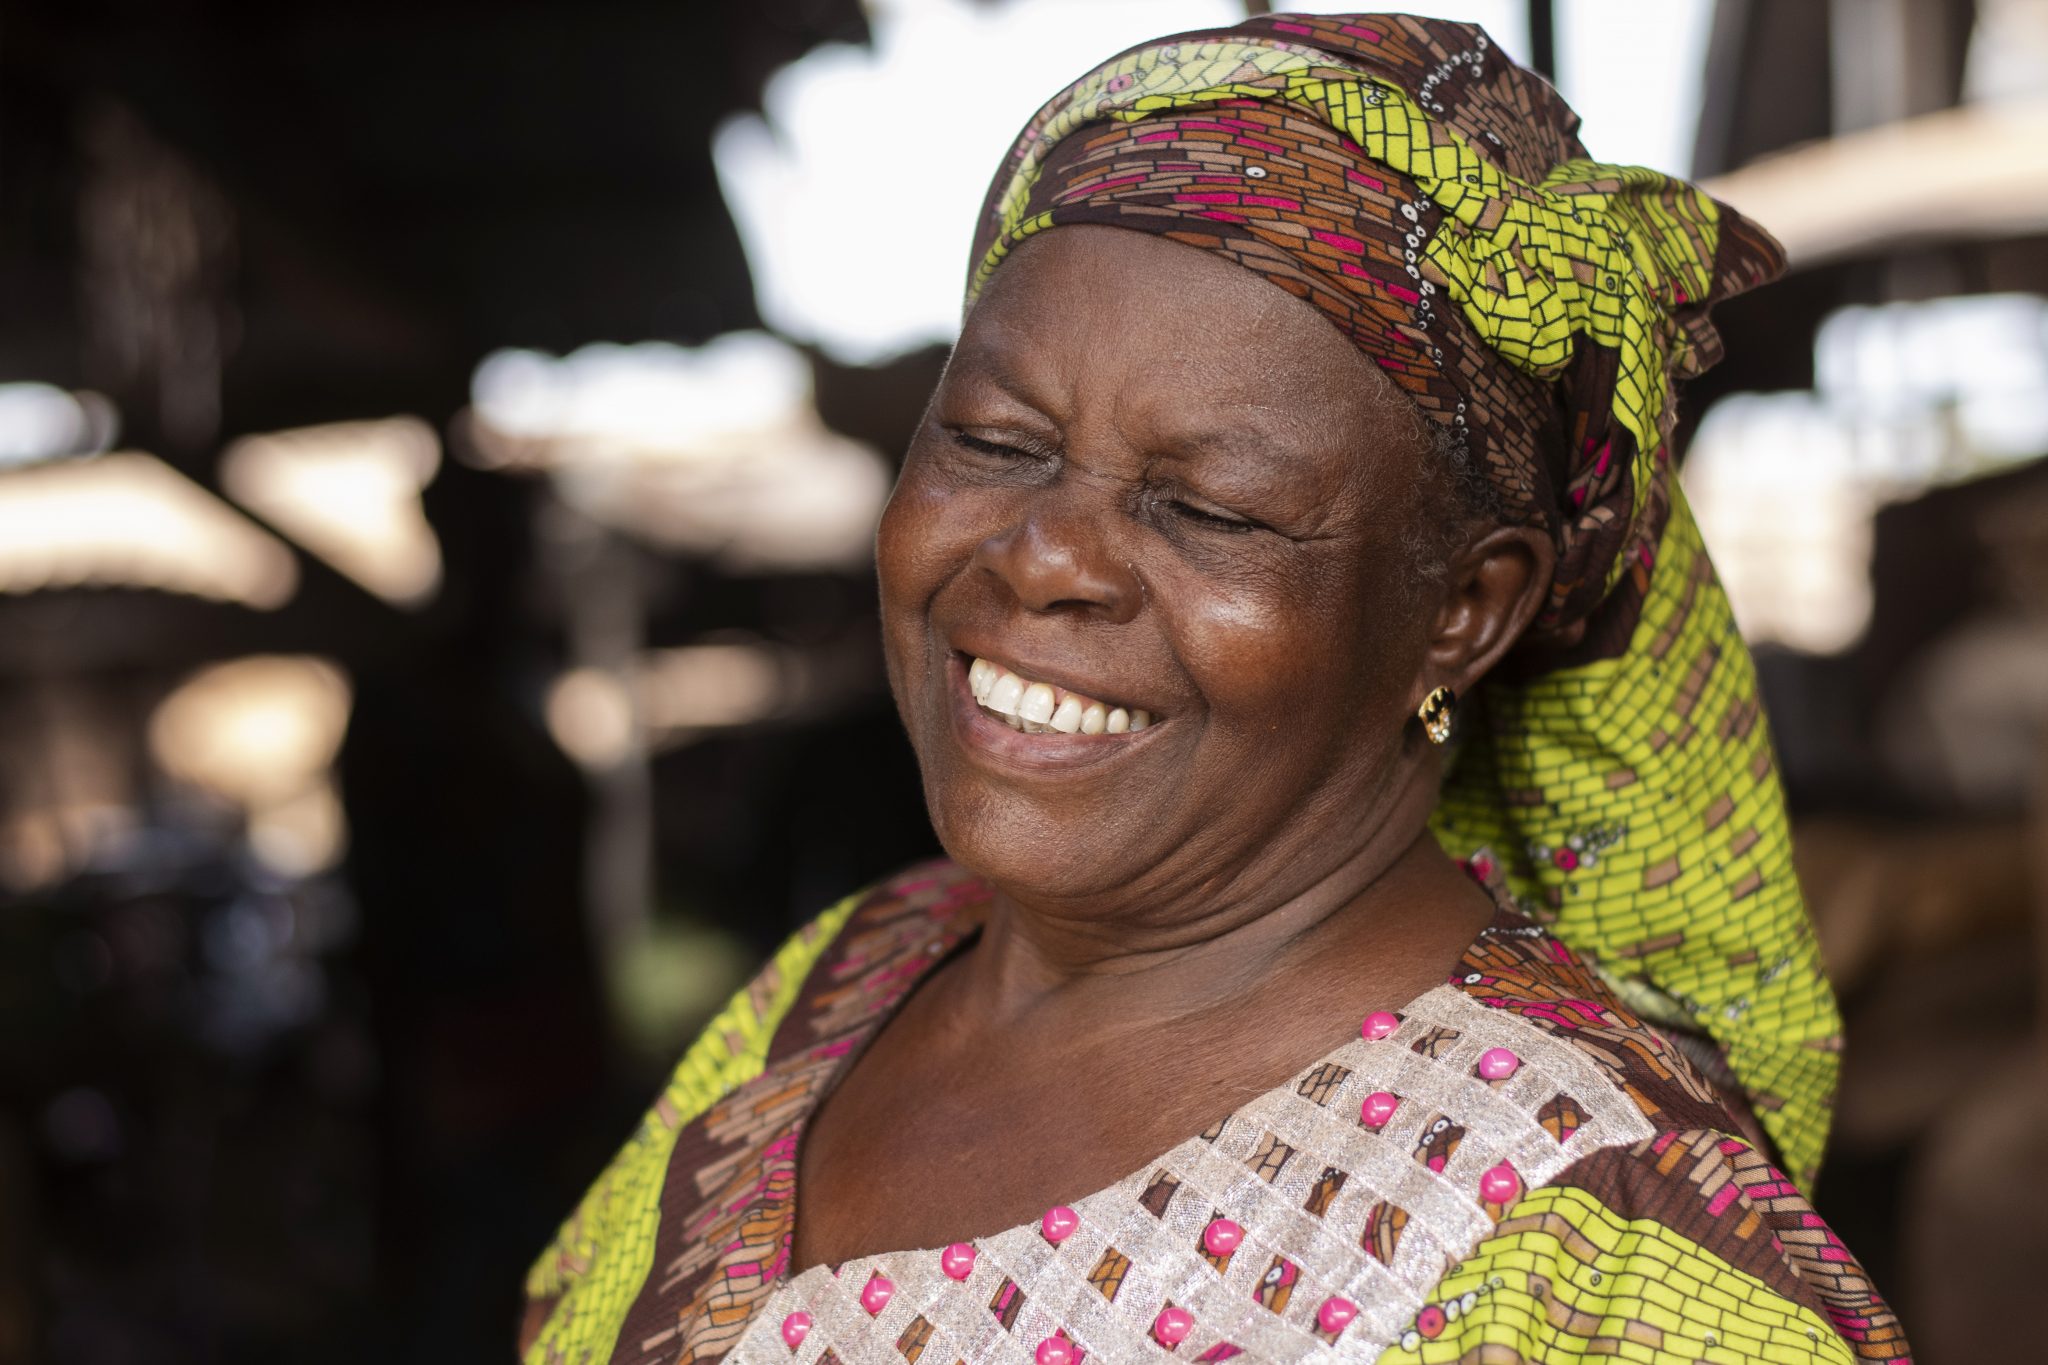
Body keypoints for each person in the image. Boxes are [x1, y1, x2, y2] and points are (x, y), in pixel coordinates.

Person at [519, 15, 1909, 1363]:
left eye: (1211, 512)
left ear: (1464, 612)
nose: (1046, 556)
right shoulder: (838, 984)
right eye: (996, 441)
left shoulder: (1597, 1261)